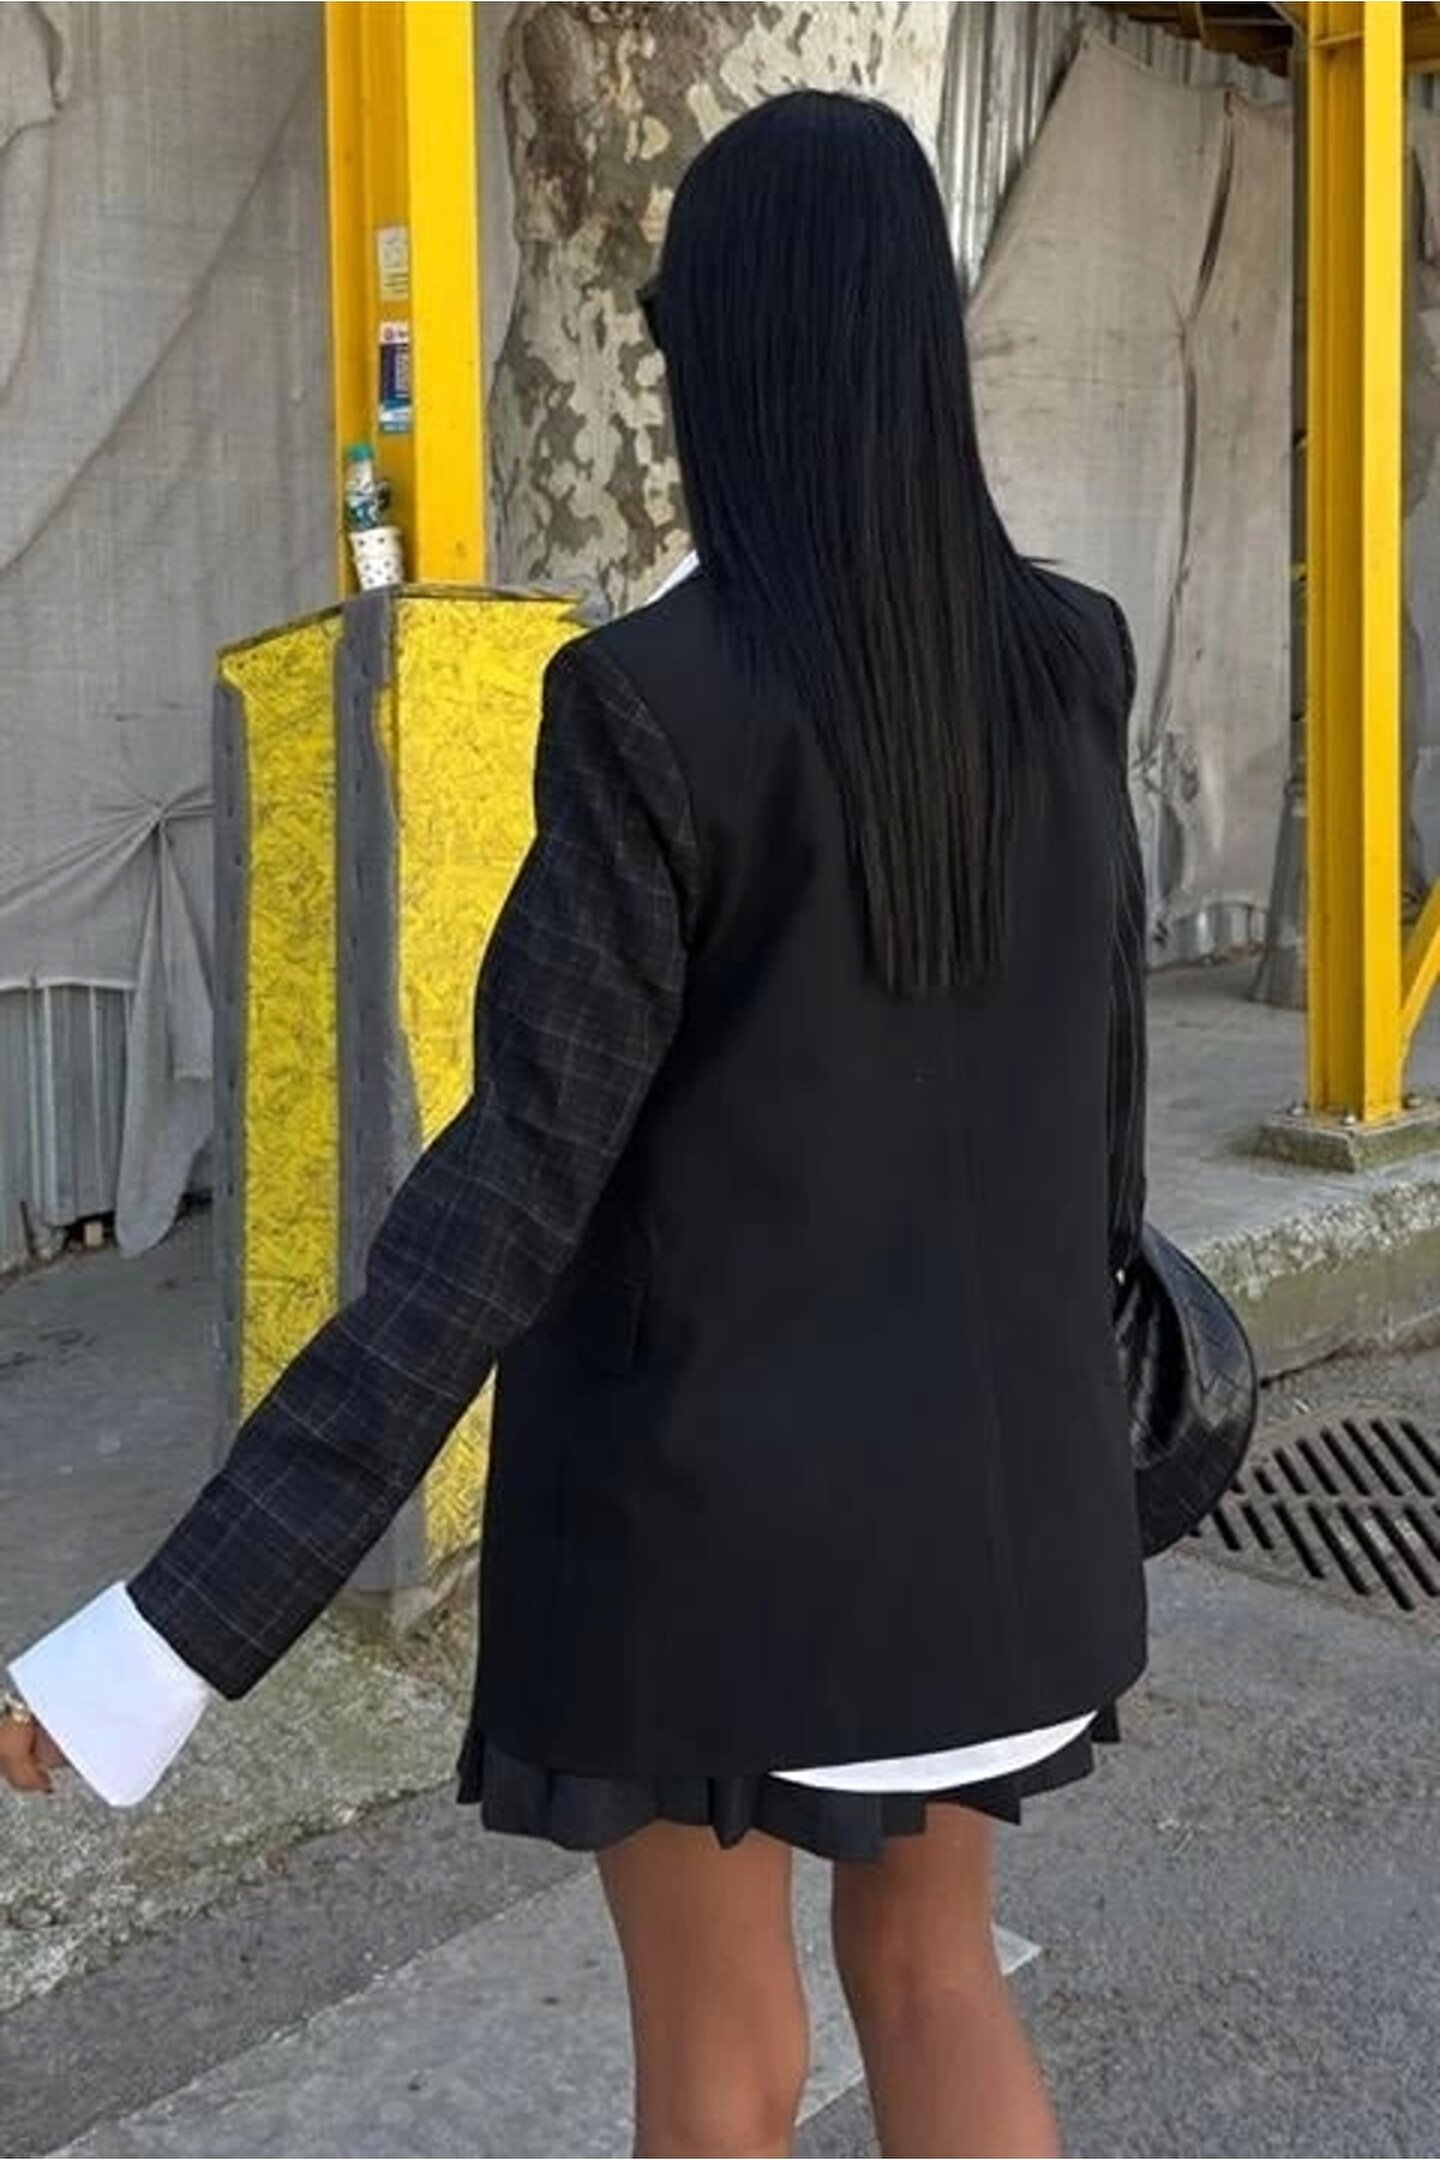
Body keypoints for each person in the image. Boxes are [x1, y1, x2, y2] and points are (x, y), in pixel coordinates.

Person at [2, 89, 1148, 2160]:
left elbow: (499, 1207)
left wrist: (161, 1639)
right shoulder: (1072, 664)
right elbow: (1099, 1126)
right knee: (936, 1975)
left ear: (711, 360)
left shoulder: (650, 703)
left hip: (714, 1548)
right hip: (1002, 1533)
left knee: (723, 2064)